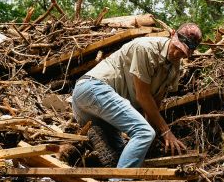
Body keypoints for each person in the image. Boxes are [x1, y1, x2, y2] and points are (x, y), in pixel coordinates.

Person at [70, 24, 202, 168]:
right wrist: (166, 131)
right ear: (172, 35)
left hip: (103, 113)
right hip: (92, 89)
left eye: (183, 53)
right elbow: (143, 96)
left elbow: (154, 104)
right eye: (176, 47)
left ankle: (110, 180)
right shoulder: (146, 48)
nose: (178, 54)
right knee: (144, 133)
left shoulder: (175, 69)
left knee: (123, 155)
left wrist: (152, 143)